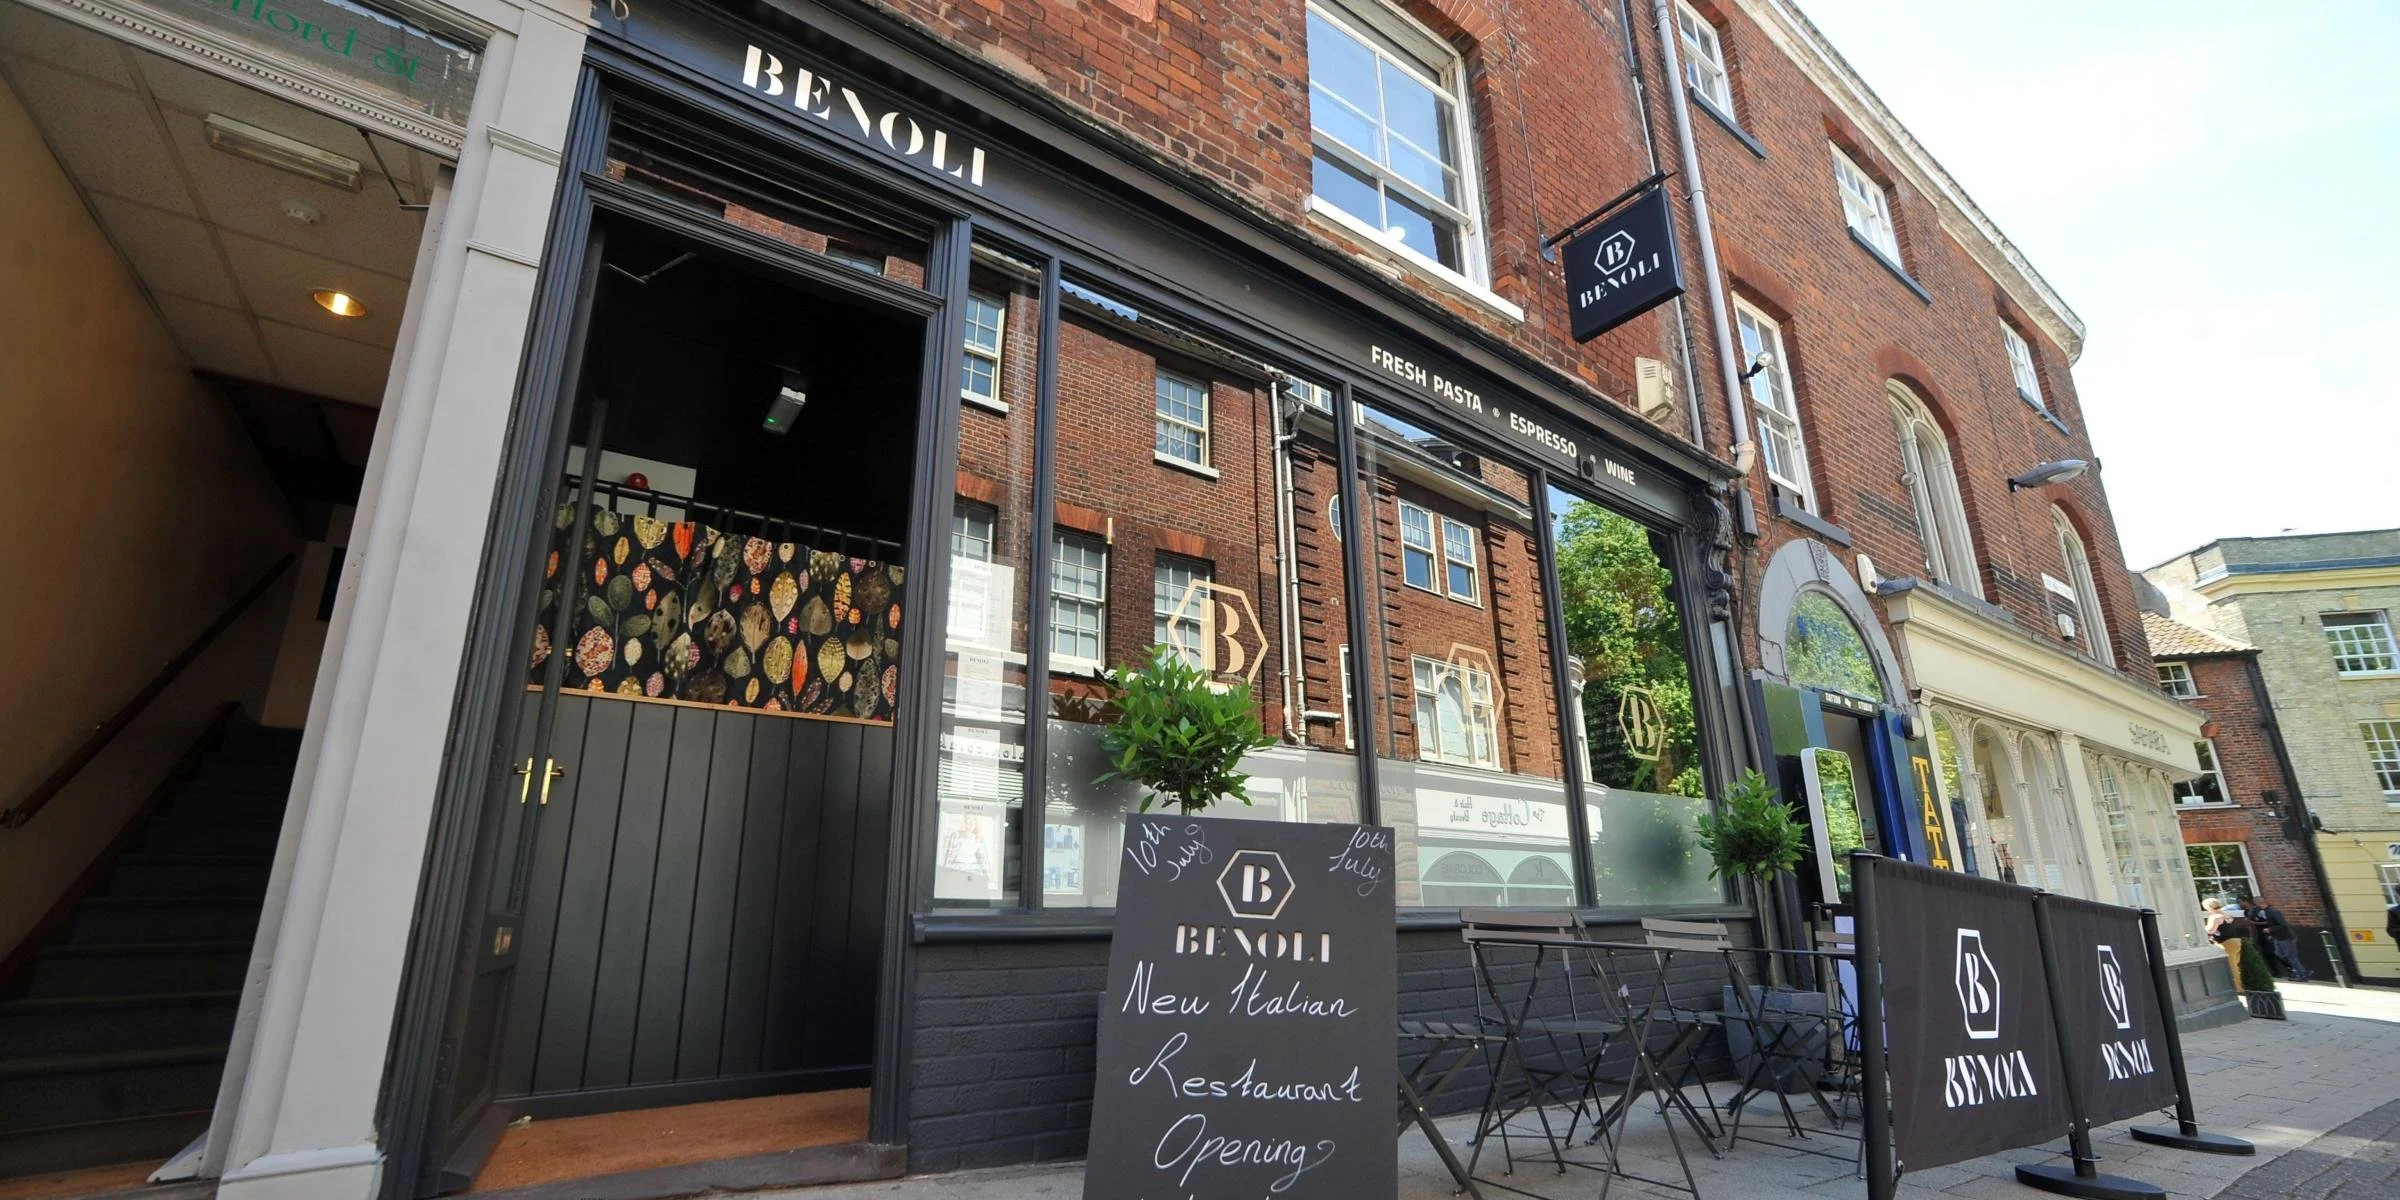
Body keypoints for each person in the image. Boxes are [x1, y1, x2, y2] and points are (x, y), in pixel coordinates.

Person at [2245, 896, 2310, 982]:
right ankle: (2301, 971)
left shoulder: (2273, 912)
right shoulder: (2267, 912)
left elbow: (2283, 925)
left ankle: (2302, 974)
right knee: (2279, 954)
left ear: (2258, 903)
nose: (2255, 906)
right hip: (2278, 937)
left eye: (2255, 903)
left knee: (2291, 957)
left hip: (2286, 937)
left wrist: (2270, 929)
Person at [2203, 897, 2250, 995]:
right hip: (2236, 941)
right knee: (2235, 965)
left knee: (2230, 966)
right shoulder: (2226, 914)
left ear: (2208, 907)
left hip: (2226, 943)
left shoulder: (2215, 917)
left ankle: (2238, 989)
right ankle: (2240, 986)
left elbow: (2210, 930)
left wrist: (2202, 929)